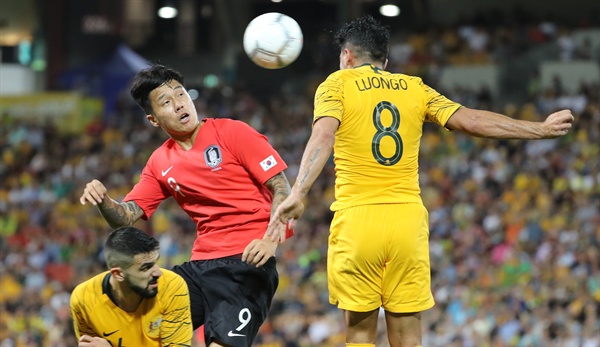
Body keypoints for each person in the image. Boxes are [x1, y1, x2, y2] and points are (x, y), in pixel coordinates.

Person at [266, 15, 574, 347]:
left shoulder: (336, 84)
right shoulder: (415, 87)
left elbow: (323, 134)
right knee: (409, 339)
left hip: (358, 220)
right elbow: (470, 119)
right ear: (385, 61)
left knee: (358, 335)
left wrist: (299, 191)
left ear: (347, 57)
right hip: (408, 222)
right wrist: (538, 129)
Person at [79, 64, 293, 347]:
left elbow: (281, 187)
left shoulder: (232, 132)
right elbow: (125, 217)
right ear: (154, 119)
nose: (179, 104)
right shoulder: (159, 162)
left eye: (181, 95)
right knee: (145, 326)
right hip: (199, 268)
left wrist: (269, 241)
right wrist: (104, 202)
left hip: (247, 265)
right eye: (166, 102)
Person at [70, 226, 193, 347]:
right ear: (118, 274)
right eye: (146, 267)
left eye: (155, 263)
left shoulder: (172, 286)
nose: (158, 272)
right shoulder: (84, 300)